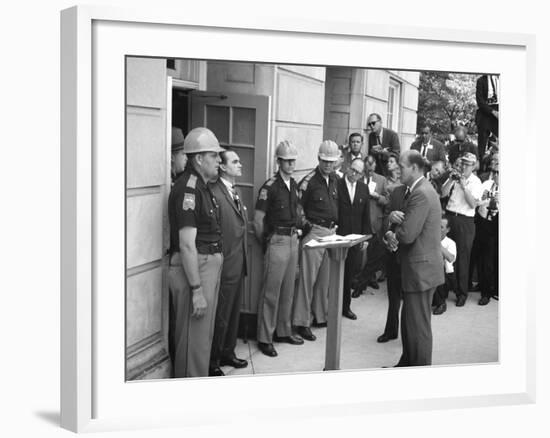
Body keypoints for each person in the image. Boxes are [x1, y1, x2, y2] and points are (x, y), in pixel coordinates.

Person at [167, 127, 225, 378]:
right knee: (193, 341)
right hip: (196, 269)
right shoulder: (189, 188)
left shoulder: (201, 186)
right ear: (199, 159)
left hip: (205, 265)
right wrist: (196, 290)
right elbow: (187, 244)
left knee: (202, 340)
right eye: (215, 155)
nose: (219, 160)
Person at [384, 150, 444, 367]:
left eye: (401, 166)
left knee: (418, 327)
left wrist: (392, 233)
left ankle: (419, 373)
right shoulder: (418, 190)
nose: (396, 169)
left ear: (415, 168)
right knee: (411, 324)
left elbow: (408, 234)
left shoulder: (421, 193)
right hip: (418, 269)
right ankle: (407, 365)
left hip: (421, 271)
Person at [254, 141, 306, 357]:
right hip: (277, 240)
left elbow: (297, 212)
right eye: (287, 160)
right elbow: (258, 220)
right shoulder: (270, 186)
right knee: (271, 293)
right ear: (279, 161)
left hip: (293, 239)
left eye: (293, 160)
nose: (291, 164)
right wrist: (267, 243)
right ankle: (265, 337)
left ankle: (283, 331)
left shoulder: (293, 184)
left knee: (288, 290)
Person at [293, 140, 340, 341]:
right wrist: (307, 228)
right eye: (324, 161)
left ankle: (320, 316)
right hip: (315, 232)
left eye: (331, 161)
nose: (328, 164)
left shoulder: (335, 179)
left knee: (324, 279)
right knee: (307, 281)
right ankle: (302, 322)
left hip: (331, 232)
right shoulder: (308, 181)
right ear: (318, 158)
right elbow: (297, 209)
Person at [208, 150, 249, 376]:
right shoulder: (214, 192)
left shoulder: (235, 191)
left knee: (233, 313)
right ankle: (213, 360)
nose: (240, 164)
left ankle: (228, 352)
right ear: (222, 167)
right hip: (224, 264)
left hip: (238, 262)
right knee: (221, 315)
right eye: (235, 161)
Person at [440, 152, 483, 307]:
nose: (464, 166)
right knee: (445, 252)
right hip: (450, 216)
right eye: (462, 163)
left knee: (463, 257)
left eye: (467, 164)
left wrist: (464, 187)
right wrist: (451, 180)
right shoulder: (455, 176)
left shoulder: (476, 182)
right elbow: (443, 193)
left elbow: (473, 204)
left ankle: (461, 292)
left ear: (473, 166)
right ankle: (444, 290)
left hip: (465, 220)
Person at [337, 158, 371, 320]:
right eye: (352, 169)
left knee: (349, 273)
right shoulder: (337, 185)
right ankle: (330, 307)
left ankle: (346, 307)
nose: (353, 173)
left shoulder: (363, 189)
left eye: (357, 172)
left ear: (361, 174)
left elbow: (366, 215)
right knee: (335, 273)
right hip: (337, 236)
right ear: (347, 167)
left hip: (355, 238)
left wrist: (366, 237)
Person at [351, 154, 389, 295]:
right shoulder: (358, 178)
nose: (369, 172)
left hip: (375, 222)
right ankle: (358, 282)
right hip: (360, 222)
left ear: (375, 167)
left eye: (372, 169)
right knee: (360, 256)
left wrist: (377, 197)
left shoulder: (381, 180)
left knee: (373, 255)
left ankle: (370, 279)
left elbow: (387, 200)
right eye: (367, 169)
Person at [377, 182, 407, 343]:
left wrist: (399, 237)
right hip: (393, 251)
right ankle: (391, 330)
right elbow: (386, 216)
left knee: (409, 299)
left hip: (410, 254)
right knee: (393, 295)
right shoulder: (396, 192)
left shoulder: (423, 192)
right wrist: (388, 232)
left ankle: (409, 335)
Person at [474, 153, 499, 305]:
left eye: (499, 173)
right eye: (494, 172)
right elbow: (476, 202)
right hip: (484, 222)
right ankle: (484, 290)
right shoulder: (486, 184)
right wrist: (483, 199)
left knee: (494, 258)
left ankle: (492, 289)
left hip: (497, 223)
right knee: (483, 258)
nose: (496, 175)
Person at [431, 215, 457, 315]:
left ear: (447, 230)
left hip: (445, 274)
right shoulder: (429, 239)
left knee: (438, 273)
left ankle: (441, 303)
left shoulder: (450, 243)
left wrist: (437, 244)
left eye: (441, 227)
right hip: (430, 271)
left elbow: (451, 258)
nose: (437, 229)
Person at [476, 74, 499, 161]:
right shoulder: (481, 80)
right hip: (486, 113)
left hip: (499, 112)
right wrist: (493, 112)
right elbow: (480, 101)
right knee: (482, 145)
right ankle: (481, 168)